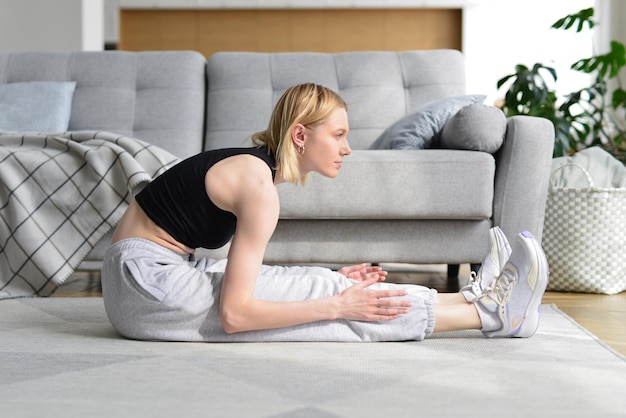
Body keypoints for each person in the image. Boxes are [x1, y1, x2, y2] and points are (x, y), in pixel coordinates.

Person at [101, 83, 549, 342]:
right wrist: (337, 303)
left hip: (146, 275)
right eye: (337, 135)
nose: (347, 148)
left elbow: (249, 281)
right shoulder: (258, 187)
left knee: (324, 280)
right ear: (300, 135)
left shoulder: (255, 170)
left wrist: (335, 281)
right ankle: (492, 316)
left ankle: (475, 297)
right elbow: (236, 316)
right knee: (329, 302)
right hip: (146, 287)